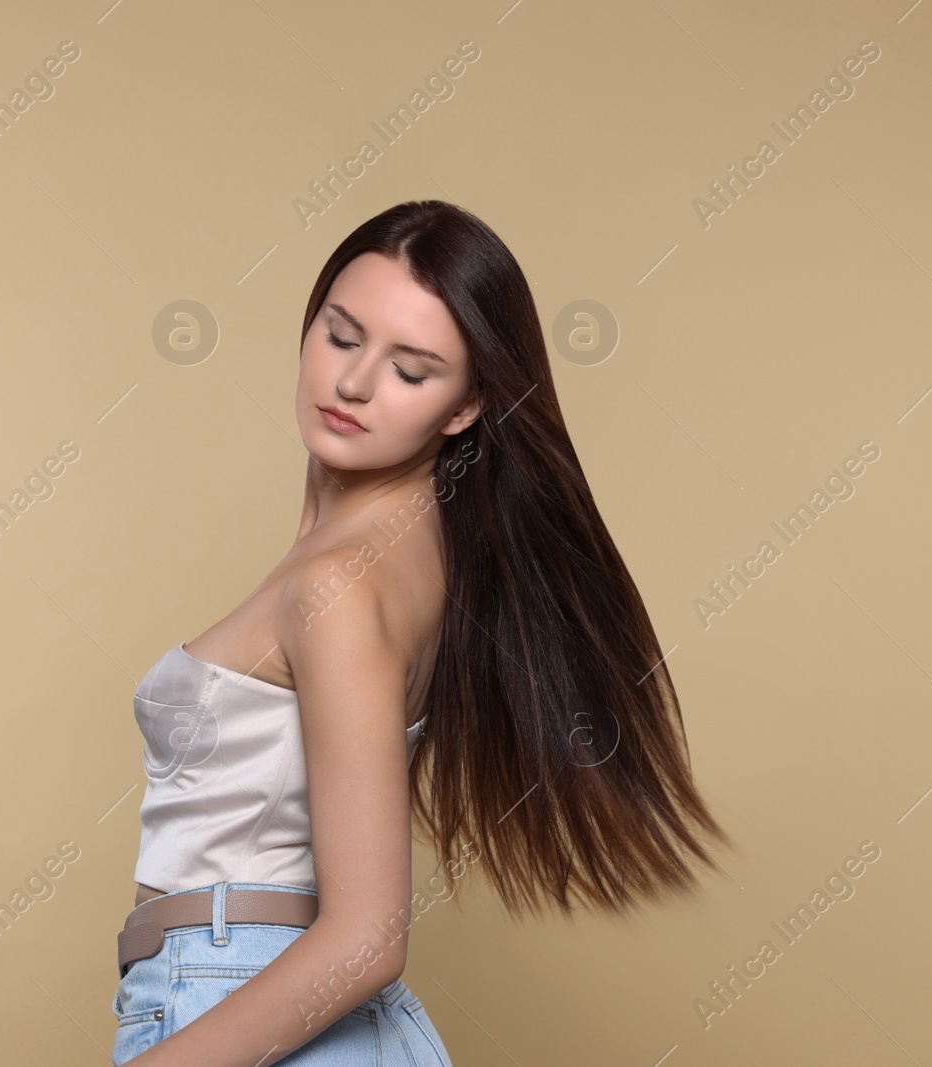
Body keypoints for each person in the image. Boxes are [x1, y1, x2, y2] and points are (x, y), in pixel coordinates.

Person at [110, 200, 732, 1065]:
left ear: (467, 406)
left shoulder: (338, 583)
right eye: (341, 333)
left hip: (236, 993)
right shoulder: (409, 557)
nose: (355, 383)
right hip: (284, 1010)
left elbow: (368, 936)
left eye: (411, 369)